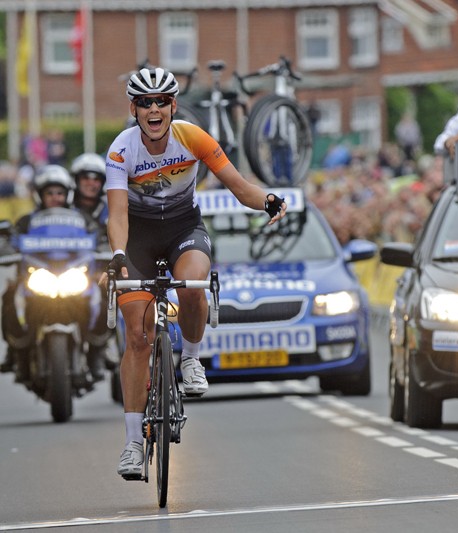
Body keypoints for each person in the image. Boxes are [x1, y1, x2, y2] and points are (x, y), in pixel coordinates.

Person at [105, 66, 287, 479]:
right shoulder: (121, 150)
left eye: (162, 102)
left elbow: (240, 188)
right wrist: (117, 254)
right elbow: (117, 214)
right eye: (145, 103)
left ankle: (190, 359)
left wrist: (269, 200)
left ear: (173, 106)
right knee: (137, 335)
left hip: (184, 227)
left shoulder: (194, 138)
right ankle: (133, 442)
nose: (154, 110)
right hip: (137, 238)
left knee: (192, 286)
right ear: (134, 109)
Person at [0, 165, 88, 376]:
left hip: (72, 275)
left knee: (101, 293)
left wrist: (104, 247)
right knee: (10, 293)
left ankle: (99, 347)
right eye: (50, 193)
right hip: (36, 276)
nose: (55, 197)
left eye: (59, 192)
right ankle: (14, 350)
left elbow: (98, 238)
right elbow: (10, 240)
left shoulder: (82, 220)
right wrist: (6, 248)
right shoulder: (26, 221)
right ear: (40, 195)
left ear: (68, 195)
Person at [70, 152, 112, 380]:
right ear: (76, 181)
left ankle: (98, 349)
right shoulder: (63, 207)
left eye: (96, 178)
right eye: (85, 177)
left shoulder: (111, 207)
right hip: (65, 272)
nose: (91, 183)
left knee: (107, 298)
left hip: (101, 272)